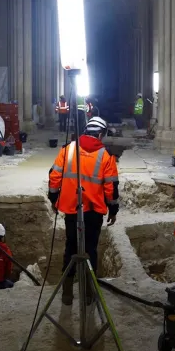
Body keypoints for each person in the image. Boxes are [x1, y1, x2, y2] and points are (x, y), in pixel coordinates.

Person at [48, 117, 120, 305]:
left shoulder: (67, 150)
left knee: (71, 248)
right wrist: (113, 210)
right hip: (93, 211)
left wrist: (54, 199)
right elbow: (111, 188)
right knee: (90, 250)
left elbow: (54, 176)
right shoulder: (106, 156)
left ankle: (67, 293)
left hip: (71, 208)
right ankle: (89, 293)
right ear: (100, 134)